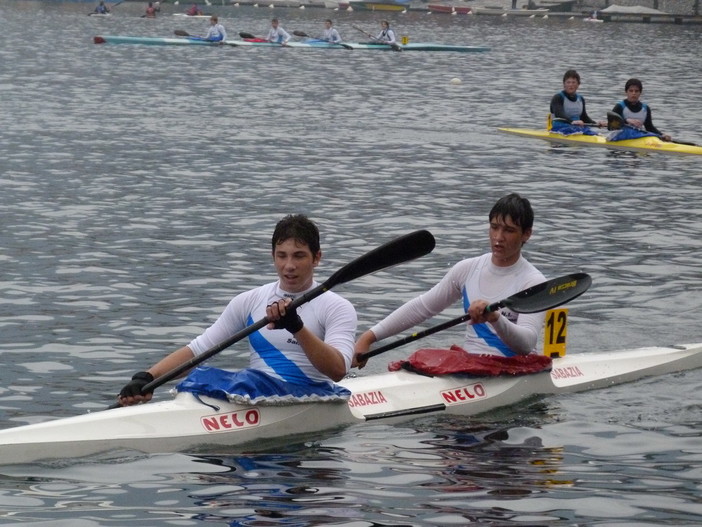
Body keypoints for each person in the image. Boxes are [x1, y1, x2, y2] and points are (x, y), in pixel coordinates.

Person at [118, 214, 357, 406]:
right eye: (281, 256)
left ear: (317, 258)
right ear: (272, 256)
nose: (289, 266)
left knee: (243, 380)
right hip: (257, 394)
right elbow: (199, 350)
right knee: (203, 375)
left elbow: (338, 370)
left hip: (312, 394)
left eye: (299, 256)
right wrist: (148, 378)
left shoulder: (336, 307)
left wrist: (297, 327)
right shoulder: (249, 300)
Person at [354, 193, 546, 368]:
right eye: (494, 227)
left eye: (509, 230)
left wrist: (496, 318)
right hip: (472, 366)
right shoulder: (467, 269)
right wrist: (369, 337)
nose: (498, 237)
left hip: (515, 368)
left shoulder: (532, 281)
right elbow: (422, 307)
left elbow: (527, 344)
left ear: (526, 234)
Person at [549, 69, 605, 135]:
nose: (571, 85)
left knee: (594, 133)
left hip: (576, 128)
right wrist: (573, 121)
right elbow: (560, 114)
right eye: (568, 82)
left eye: (573, 82)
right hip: (558, 128)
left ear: (578, 84)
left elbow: (584, 117)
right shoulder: (558, 97)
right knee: (581, 130)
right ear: (564, 84)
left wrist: (597, 124)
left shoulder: (580, 99)